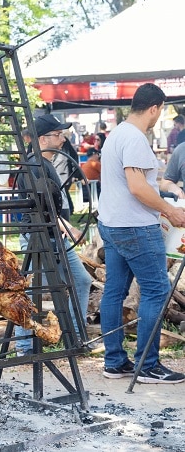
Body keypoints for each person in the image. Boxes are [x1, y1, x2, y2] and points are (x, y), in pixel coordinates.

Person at [98, 83, 185, 384]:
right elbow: (136, 188)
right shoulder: (135, 138)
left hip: (112, 223)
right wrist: (171, 211)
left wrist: (166, 190)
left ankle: (114, 362)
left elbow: (138, 182)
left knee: (114, 291)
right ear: (155, 108)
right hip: (134, 225)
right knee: (157, 291)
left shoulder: (117, 134)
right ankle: (148, 366)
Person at [14, 114, 93, 357]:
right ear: (42, 138)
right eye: (57, 135)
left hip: (55, 237)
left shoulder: (45, 163)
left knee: (81, 280)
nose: (62, 139)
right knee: (30, 290)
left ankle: (74, 337)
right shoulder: (33, 166)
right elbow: (42, 207)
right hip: (38, 237)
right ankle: (25, 346)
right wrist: (67, 227)